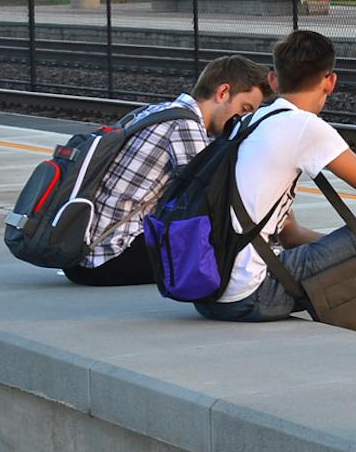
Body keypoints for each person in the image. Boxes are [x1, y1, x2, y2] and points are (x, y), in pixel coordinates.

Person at [195, 29, 356, 322]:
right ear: (330, 81)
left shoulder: (250, 123)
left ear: (273, 80)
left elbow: (290, 234)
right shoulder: (305, 127)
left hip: (210, 294)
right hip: (251, 296)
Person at [66, 54, 273, 287]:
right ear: (223, 92)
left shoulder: (159, 111)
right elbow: (211, 201)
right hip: (110, 258)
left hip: (80, 255)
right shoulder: (187, 125)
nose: (242, 119)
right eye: (244, 109)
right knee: (232, 257)